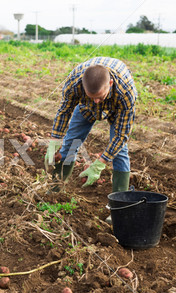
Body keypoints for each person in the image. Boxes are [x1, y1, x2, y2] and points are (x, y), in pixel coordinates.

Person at [45, 57, 137, 220]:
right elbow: (64, 110)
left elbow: (121, 136)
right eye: (91, 96)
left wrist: (99, 164)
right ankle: (54, 192)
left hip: (116, 108)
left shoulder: (126, 92)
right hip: (85, 109)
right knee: (70, 143)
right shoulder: (74, 82)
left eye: (99, 97)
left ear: (109, 85)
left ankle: (119, 209)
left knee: (120, 152)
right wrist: (54, 141)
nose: (96, 101)